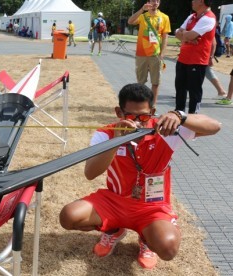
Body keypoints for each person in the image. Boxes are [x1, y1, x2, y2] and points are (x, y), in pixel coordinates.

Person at [59, 83, 221, 270]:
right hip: (114, 202)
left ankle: (147, 239)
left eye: (144, 116)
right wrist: (116, 140)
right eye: (130, 116)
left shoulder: (165, 129)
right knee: (68, 217)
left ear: (152, 111)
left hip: (152, 207)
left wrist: (180, 116)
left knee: (168, 249)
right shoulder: (106, 133)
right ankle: (113, 230)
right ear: (119, 112)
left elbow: (215, 127)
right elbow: (90, 173)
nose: (137, 122)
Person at [174, 0, 216, 114]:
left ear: (202, 1)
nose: (192, 1)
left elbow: (187, 34)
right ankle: (178, 117)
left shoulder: (209, 18)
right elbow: (177, 32)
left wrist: (187, 35)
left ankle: (193, 119)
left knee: (194, 93)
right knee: (180, 91)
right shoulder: (192, 16)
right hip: (183, 59)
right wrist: (187, 36)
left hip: (197, 61)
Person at [128, 0, 171, 106]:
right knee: (140, 83)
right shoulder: (143, 16)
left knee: (155, 83)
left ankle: (152, 107)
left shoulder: (164, 17)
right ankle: (140, 105)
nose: (155, 2)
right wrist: (142, 9)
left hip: (155, 54)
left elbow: (165, 37)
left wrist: (163, 52)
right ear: (149, 2)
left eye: (158, 0)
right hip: (141, 53)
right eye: (153, 0)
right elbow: (130, 21)